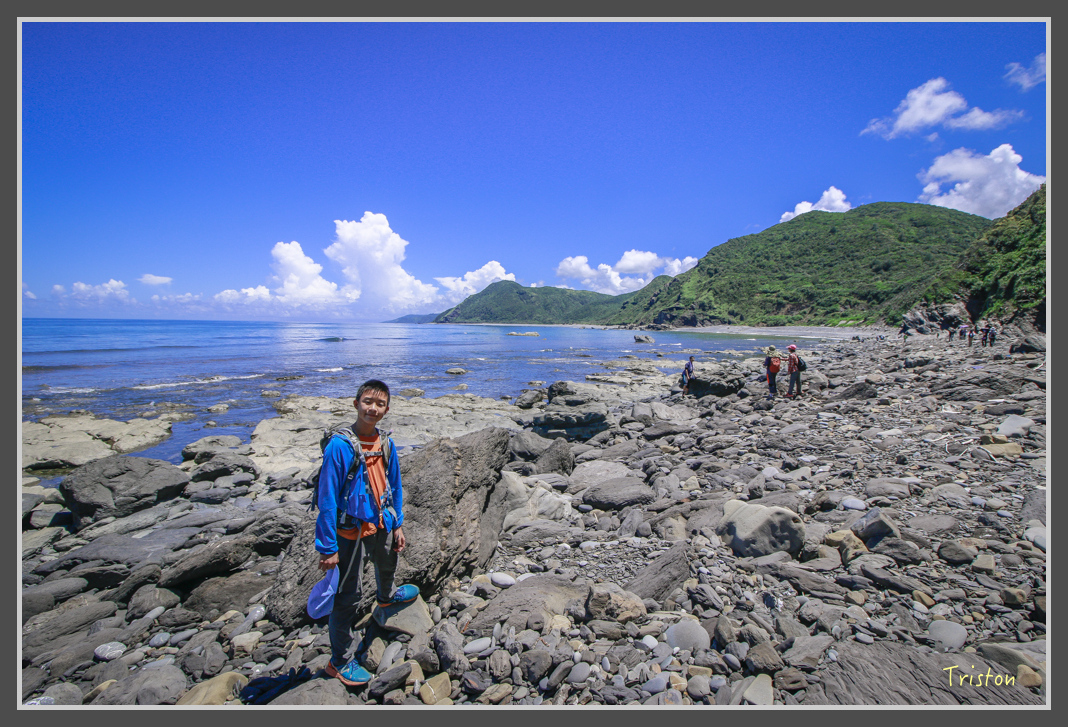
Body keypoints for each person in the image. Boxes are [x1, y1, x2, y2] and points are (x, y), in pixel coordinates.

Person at [316, 379, 418, 687]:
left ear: (387, 409)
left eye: (380, 404)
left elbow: (396, 486)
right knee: (348, 597)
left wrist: (398, 524)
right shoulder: (340, 446)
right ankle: (339, 661)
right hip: (348, 532)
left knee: (388, 563)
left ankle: (386, 598)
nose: (373, 408)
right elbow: (327, 498)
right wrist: (328, 548)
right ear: (356, 403)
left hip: (381, 522)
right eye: (368, 402)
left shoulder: (386, 444)